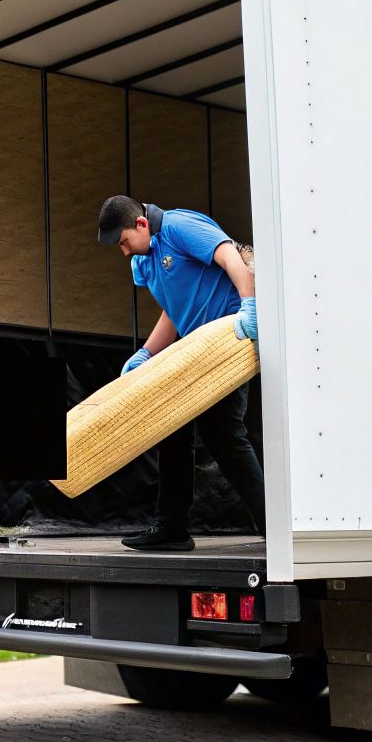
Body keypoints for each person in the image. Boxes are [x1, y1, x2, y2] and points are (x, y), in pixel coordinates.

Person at [97, 196, 265, 551]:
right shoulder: (144, 260)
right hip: (195, 348)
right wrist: (146, 353)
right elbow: (173, 310)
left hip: (228, 337)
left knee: (224, 436)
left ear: (141, 224)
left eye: (124, 241)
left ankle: (272, 525)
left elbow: (231, 258)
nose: (124, 252)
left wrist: (249, 305)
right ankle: (171, 528)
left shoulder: (179, 227)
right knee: (170, 426)